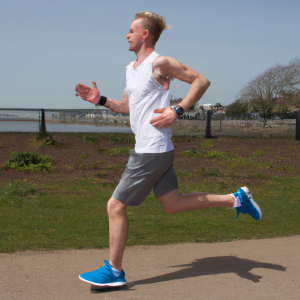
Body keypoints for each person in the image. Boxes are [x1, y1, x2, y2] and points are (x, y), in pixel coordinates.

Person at [75, 11, 262, 288]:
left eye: (130, 30)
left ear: (144, 34)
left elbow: (201, 81)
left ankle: (114, 271)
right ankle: (236, 199)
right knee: (172, 205)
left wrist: (178, 109)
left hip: (152, 149)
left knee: (114, 206)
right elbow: (127, 107)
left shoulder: (160, 62)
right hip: (152, 147)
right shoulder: (131, 68)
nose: (126, 34)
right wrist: (100, 99)